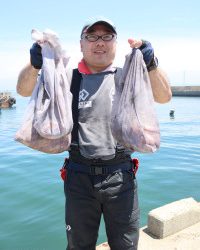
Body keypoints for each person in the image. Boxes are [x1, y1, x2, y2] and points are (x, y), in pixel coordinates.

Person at [17, 18, 172, 250]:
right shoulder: (66, 78)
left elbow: (164, 96)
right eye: (92, 36)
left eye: (107, 36)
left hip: (121, 176)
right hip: (78, 176)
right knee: (78, 245)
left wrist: (151, 63)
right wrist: (35, 64)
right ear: (81, 44)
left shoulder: (127, 77)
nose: (99, 42)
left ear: (115, 43)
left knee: (126, 246)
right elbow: (23, 89)